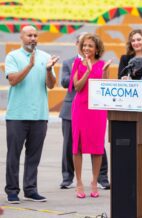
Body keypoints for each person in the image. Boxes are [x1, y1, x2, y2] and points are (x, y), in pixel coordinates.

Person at [4, 25, 58, 203]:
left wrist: (49, 69)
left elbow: (51, 85)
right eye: (29, 35)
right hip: (17, 116)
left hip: (40, 115)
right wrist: (29, 66)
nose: (33, 38)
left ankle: (30, 189)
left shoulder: (45, 57)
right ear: (21, 37)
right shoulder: (13, 56)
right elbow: (13, 81)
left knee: (34, 156)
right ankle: (12, 190)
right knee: (14, 155)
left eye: (35, 35)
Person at [59, 33, 110, 190]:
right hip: (80, 107)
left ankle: (95, 182)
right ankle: (79, 182)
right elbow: (78, 87)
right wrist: (87, 71)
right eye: (84, 45)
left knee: (97, 146)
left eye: (90, 46)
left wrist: (105, 71)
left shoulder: (102, 64)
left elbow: (104, 87)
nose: (87, 48)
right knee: (77, 146)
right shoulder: (76, 64)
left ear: (96, 49)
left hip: (97, 110)